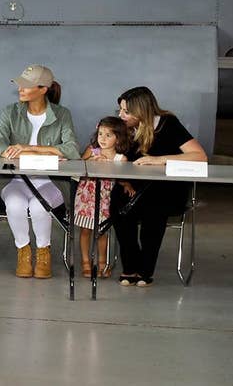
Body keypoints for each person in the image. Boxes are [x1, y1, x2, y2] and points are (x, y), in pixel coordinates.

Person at [0, 64, 80, 279]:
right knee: (15, 204)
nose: (20, 88)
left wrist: (28, 148)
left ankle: (43, 253)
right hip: (14, 181)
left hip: (52, 182)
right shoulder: (10, 112)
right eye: (20, 84)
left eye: (27, 85)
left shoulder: (62, 114)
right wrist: (48, 153)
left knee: (40, 206)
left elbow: (72, 150)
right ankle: (23, 252)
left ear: (43, 89)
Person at [110, 86, 207, 287]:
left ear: (142, 110)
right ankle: (130, 266)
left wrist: (159, 160)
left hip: (166, 190)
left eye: (126, 111)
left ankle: (145, 270)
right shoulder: (125, 127)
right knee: (118, 206)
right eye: (120, 110)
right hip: (134, 187)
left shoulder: (168, 124)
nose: (121, 115)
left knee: (153, 210)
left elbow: (199, 156)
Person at [72, 116, 130, 278]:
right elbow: (78, 167)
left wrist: (127, 185)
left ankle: (102, 263)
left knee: (102, 232)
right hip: (86, 197)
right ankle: (85, 262)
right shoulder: (93, 150)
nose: (102, 139)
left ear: (118, 137)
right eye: (100, 134)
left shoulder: (120, 158)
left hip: (106, 199)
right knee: (85, 230)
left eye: (108, 135)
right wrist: (91, 161)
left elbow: (122, 178)